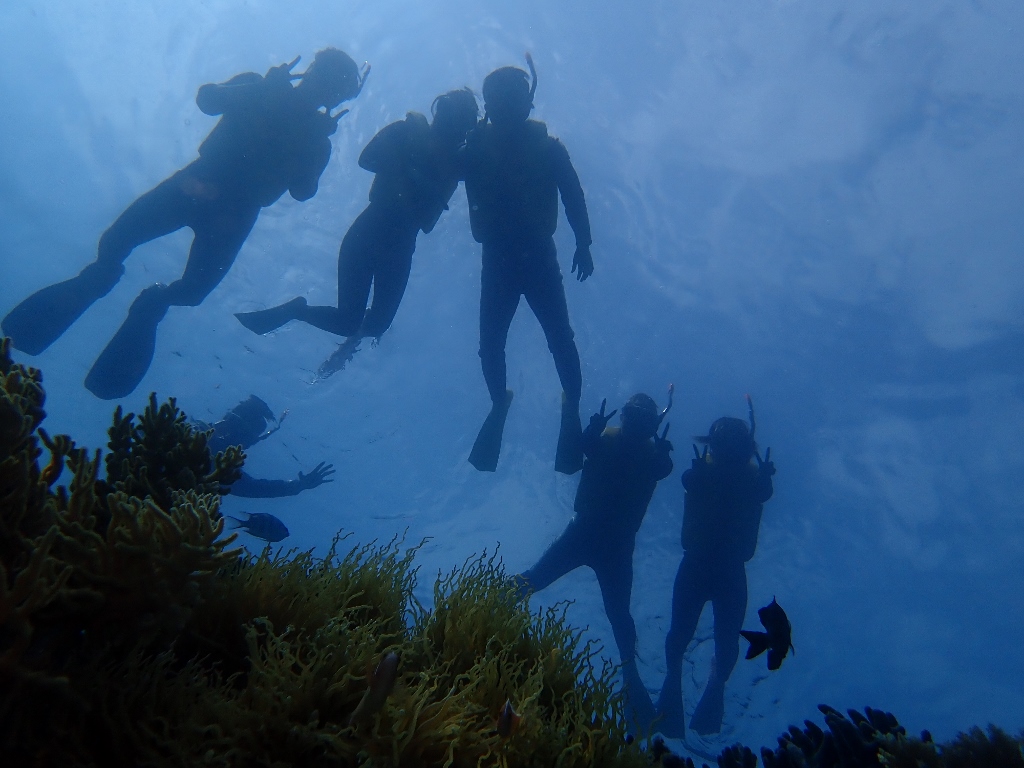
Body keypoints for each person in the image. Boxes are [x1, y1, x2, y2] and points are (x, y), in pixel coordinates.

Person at [2, 48, 367, 400]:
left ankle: (147, 301)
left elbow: (302, 191)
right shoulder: (262, 88)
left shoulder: (316, 140)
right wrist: (264, 91)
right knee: (118, 243)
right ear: (312, 71)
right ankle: (107, 282)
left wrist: (314, 141)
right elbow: (209, 99)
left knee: (186, 288)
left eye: (332, 86)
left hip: (228, 208)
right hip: (204, 188)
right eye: (323, 76)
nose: (322, 88)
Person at [234, 88, 480, 365]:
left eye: (460, 122)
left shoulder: (459, 161)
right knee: (351, 321)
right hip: (372, 231)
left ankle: (333, 335)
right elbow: (366, 159)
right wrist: (406, 164)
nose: (451, 126)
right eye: (450, 115)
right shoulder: (408, 132)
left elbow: (489, 166)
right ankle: (297, 312)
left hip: (396, 244)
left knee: (373, 325)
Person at [462, 55, 594, 474]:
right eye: (499, 100)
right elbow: (441, 174)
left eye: (512, 98)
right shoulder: (476, 146)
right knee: (495, 343)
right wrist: (583, 243)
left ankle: (566, 401)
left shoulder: (545, 147)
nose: (506, 107)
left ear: (526, 103)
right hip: (504, 258)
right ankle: (503, 401)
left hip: (532, 255)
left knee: (558, 337)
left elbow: (573, 194)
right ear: (489, 105)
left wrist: (585, 243)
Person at [516, 393, 673, 730]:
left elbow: (665, 469)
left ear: (650, 425)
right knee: (610, 610)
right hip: (600, 538)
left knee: (541, 581)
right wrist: (594, 429)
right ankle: (630, 671)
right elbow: (587, 447)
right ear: (627, 418)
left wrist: (596, 430)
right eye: (633, 417)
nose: (634, 425)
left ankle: (631, 673)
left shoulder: (644, 453)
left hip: (597, 538)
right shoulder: (627, 447)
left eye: (643, 420)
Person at [656, 397, 775, 738]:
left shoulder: (720, 475)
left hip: (701, 567)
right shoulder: (744, 479)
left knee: (689, 635)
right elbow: (690, 481)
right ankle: (703, 683)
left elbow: (689, 481)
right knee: (715, 640)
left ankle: (692, 682)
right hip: (723, 571)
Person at [198, 395, 335, 498]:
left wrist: (299, 485)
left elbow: (254, 488)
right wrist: (299, 486)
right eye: (231, 419)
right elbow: (255, 488)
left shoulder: (227, 470)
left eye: (247, 438)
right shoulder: (192, 431)